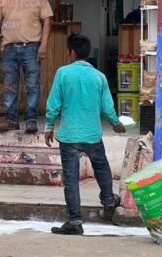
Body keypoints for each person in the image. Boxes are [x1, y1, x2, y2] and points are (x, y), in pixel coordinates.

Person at [44, 34, 125, 235]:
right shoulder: (99, 77)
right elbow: (107, 107)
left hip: (69, 136)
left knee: (71, 180)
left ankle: (74, 221)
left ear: (71, 52)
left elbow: (53, 104)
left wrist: (48, 126)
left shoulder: (63, 73)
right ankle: (108, 201)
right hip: (92, 134)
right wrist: (116, 124)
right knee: (102, 168)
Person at [0, 0, 54, 134]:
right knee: (10, 85)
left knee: (32, 85)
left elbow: (47, 20)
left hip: (31, 48)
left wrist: (44, 45)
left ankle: (31, 120)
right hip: (9, 49)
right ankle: (11, 120)